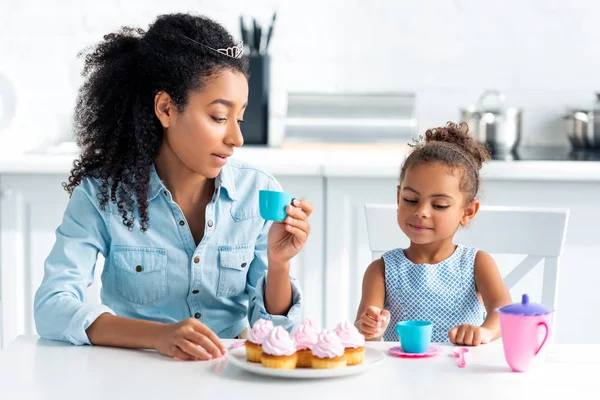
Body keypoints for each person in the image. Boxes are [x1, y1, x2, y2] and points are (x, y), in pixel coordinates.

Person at [33, 13, 312, 361]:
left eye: (238, 119)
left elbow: (276, 336)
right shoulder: (101, 195)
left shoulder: (257, 192)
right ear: (166, 108)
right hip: (134, 369)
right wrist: (157, 336)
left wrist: (279, 264)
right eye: (219, 118)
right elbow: (52, 306)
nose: (236, 138)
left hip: (229, 375)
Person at [355, 122, 511, 346]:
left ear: (467, 212)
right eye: (410, 200)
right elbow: (364, 335)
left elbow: (503, 310)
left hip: (459, 374)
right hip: (400, 376)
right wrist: (369, 328)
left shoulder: (476, 263)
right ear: (399, 198)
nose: (421, 212)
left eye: (439, 205)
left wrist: (484, 332)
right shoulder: (381, 270)